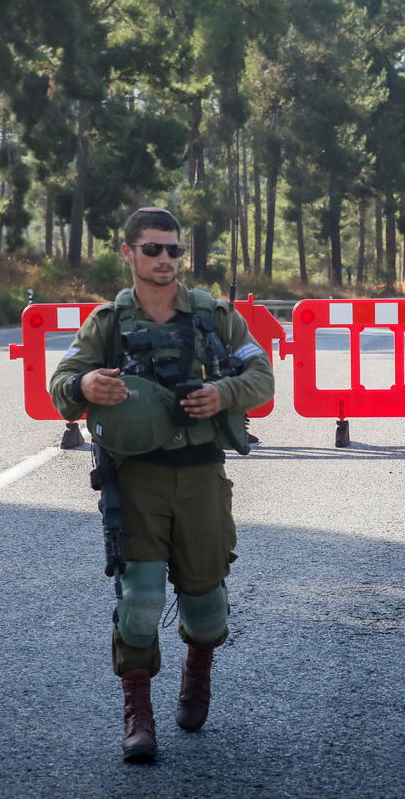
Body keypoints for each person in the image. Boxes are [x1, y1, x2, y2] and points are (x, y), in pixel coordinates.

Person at [49, 206, 274, 763]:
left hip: (201, 476)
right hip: (136, 479)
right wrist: (86, 385)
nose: (165, 259)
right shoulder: (107, 323)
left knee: (207, 604)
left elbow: (261, 375)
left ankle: (198, 671)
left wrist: (224, 394)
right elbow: (62, 384)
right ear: (128, 253)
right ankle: (138, 714)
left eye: (174, 249)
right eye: (152, 249)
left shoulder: (215, 316)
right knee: (140, 600)